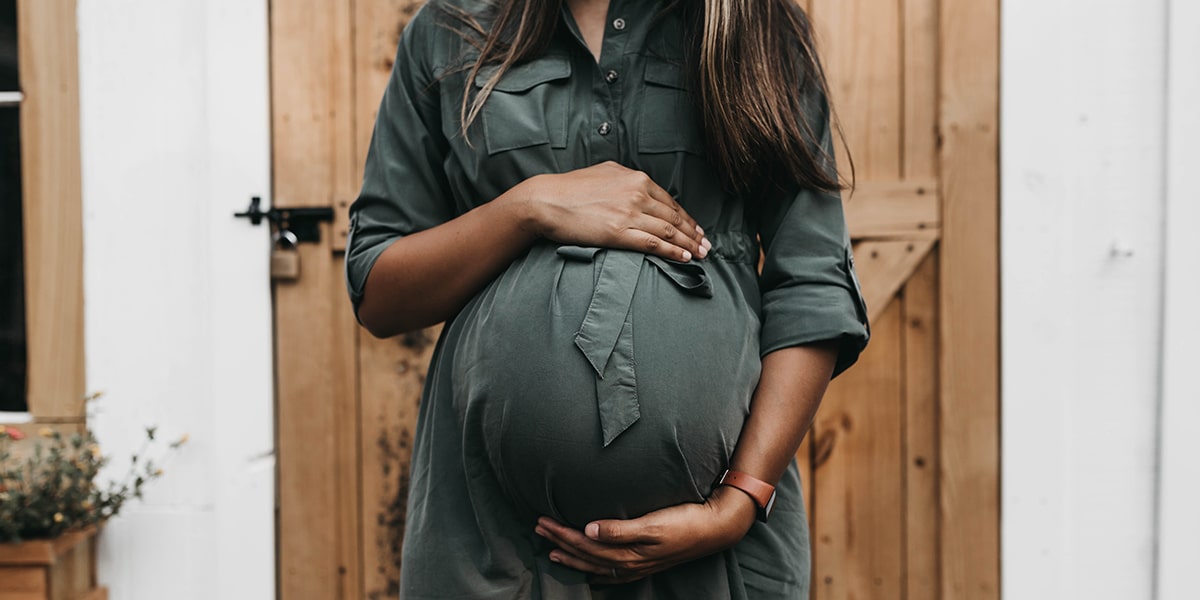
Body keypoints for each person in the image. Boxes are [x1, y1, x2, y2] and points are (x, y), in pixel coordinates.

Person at [344, 0, 870, 596]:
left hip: (715, 552)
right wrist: (527, 208)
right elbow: (379, 292)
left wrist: (742, 499)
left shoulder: (756, 23)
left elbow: (813, 282)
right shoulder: (449, 28)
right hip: (495, 548)